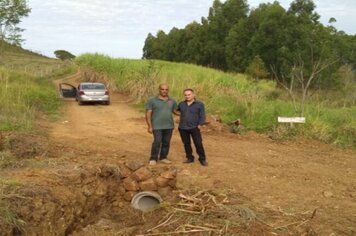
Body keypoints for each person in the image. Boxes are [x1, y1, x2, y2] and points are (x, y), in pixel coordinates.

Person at [145, 84, 178, 165]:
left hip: (169, 126)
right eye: (162, 89)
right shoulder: (152, 100)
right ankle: (153, 158)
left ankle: (163, 157)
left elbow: (175, 111)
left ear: (168, 90)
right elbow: (148, 113)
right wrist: (149, 126)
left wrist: (186, 113)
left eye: (166, 89)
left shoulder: (172, 101)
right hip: (156, 126)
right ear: (159, 90)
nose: (164, 91)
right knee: (157, 142)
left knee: (166, 142)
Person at [177, 88, 208, 166]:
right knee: (186, 144)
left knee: (198, 143)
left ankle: (202, 159)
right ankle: (190, 158)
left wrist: (200, 124)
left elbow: (202, 116)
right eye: (185, 95)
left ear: (193, 95)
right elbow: (176, 111)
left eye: (189, 94)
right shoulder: (181, 104)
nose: (187, 96)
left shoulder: (200, 104)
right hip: (183, 128)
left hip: (194, 128)